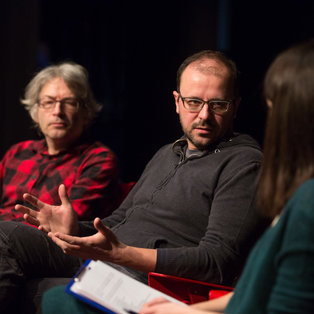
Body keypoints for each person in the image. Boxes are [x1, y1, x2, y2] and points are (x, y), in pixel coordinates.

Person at [0, 50, 268, 314]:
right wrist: (75, 229)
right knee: (5, 234)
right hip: (105, 259)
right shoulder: (168, 152)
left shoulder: (244, 163)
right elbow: (119, 220)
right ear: (177, 102)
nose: (204, 116)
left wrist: (123, 254)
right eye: (194, 102)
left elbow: (217, 262)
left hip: (148, 279)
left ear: (236, 107)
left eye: (218, 105)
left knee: (51, 293)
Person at [137, 39, 314, 314]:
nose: (205, 115)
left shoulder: (305, 200)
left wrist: (181, 311)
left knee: (58, 297)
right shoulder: (300, 193)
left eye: (274, 106)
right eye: (194, 102)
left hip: (160, 284)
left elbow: (280, 306)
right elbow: (254, 292)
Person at [0, 62, 121, 222]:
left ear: (85, 112)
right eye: (48, 102)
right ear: (36, 113)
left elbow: (64, 224)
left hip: (46, 242)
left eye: (69, 103)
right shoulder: (17, 152)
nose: (58, 111)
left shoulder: (98, 159)